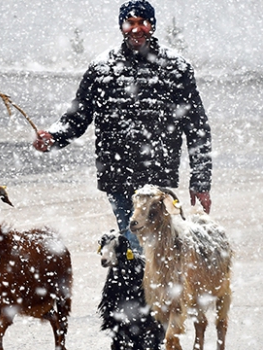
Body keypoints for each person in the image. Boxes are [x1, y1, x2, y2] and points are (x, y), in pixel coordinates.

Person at [33, 0, 212, 253]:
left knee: (151, 250)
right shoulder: (102, 68)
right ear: (122, 26)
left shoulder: (175, 68)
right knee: (134, 245)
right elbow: (78, 116)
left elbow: (197, 127)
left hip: (156, 177)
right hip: (116, 174)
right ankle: (143, 289)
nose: (136, 29)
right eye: (131, 23)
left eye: (143, 22)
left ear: (152, 26)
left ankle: (151, 289)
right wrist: (53, 137)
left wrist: (201, 182)